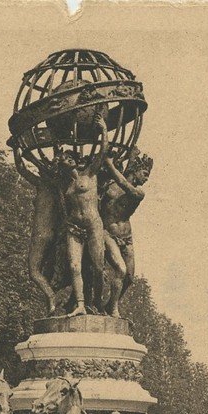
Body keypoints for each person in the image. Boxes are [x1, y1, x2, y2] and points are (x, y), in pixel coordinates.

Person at [53, 113, 110, 316]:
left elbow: (103, 151)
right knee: (74, 266)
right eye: (62, 159)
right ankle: (79, 304)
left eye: (68, 158)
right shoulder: (65, 184)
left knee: (97, 267)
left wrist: (103, 129)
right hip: (73, 227)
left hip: (93, 225)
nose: (64, 160)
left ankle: (98, 303)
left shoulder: (90, 173)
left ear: (75, 160)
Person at [100, 149, 151, 317]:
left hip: (126, 238)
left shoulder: (138, 193)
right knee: (120, 271)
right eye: (144, 173)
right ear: (135, 170)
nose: (146, 178)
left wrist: (108, 163)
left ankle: (108, 305)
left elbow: (123, 182)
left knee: (129, 276)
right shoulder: (108, 185)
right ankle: (113, 308)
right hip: (107, 233)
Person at [14, 152, 61, 314]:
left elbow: (21, 168)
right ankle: (52, 304)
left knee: (34, 271)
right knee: (48, 272)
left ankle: (51, 297)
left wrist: (16, 150)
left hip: (41, 234)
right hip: (56, 234)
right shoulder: (59, 185)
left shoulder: (42, 184)